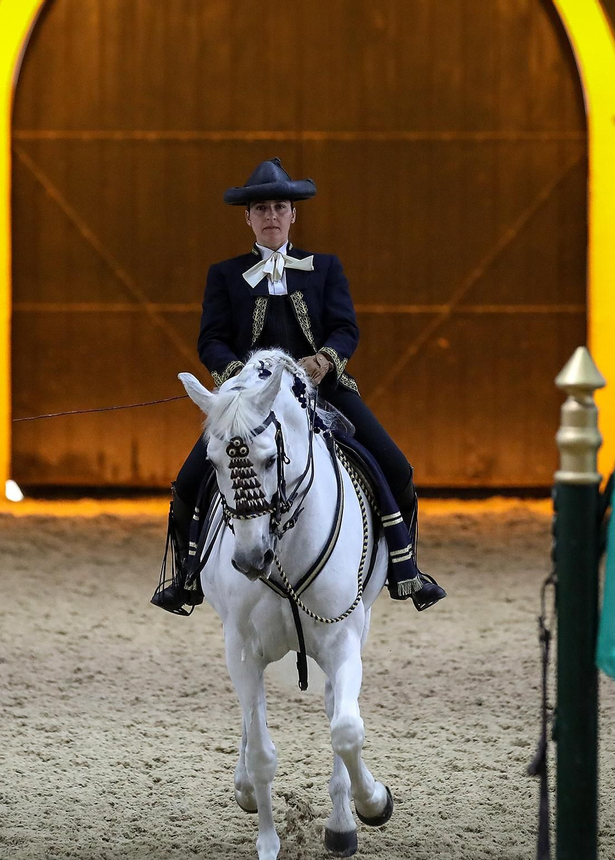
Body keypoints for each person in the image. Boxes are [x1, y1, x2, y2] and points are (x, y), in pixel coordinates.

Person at [151, 158, 446, 614]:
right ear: (247, 218)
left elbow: (346, 328)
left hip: (322, 390)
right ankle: (187, 576)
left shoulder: (325, 268)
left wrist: (325, 359)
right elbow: (211, 339)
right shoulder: (224, 275)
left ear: (293, 215)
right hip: (250, 401)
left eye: (280, 207)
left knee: (397, 468)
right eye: (262, 208)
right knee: (189, 480)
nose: (271, 216)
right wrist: (241, 380)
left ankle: (406, 569)